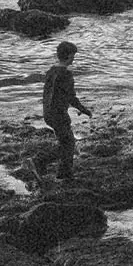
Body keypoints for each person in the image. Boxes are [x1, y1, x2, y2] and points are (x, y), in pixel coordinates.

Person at [42, 40, 91, 180]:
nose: (74, 59)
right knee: (68, 143)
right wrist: (84, 110)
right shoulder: (66, 74)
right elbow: (71, 97)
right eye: (73, 56)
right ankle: (63, 174)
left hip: (48, 112)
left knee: (64, 141)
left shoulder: (51, 71)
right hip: (58, 114)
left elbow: (47, 94)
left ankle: (61, 172)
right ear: (69, 56)